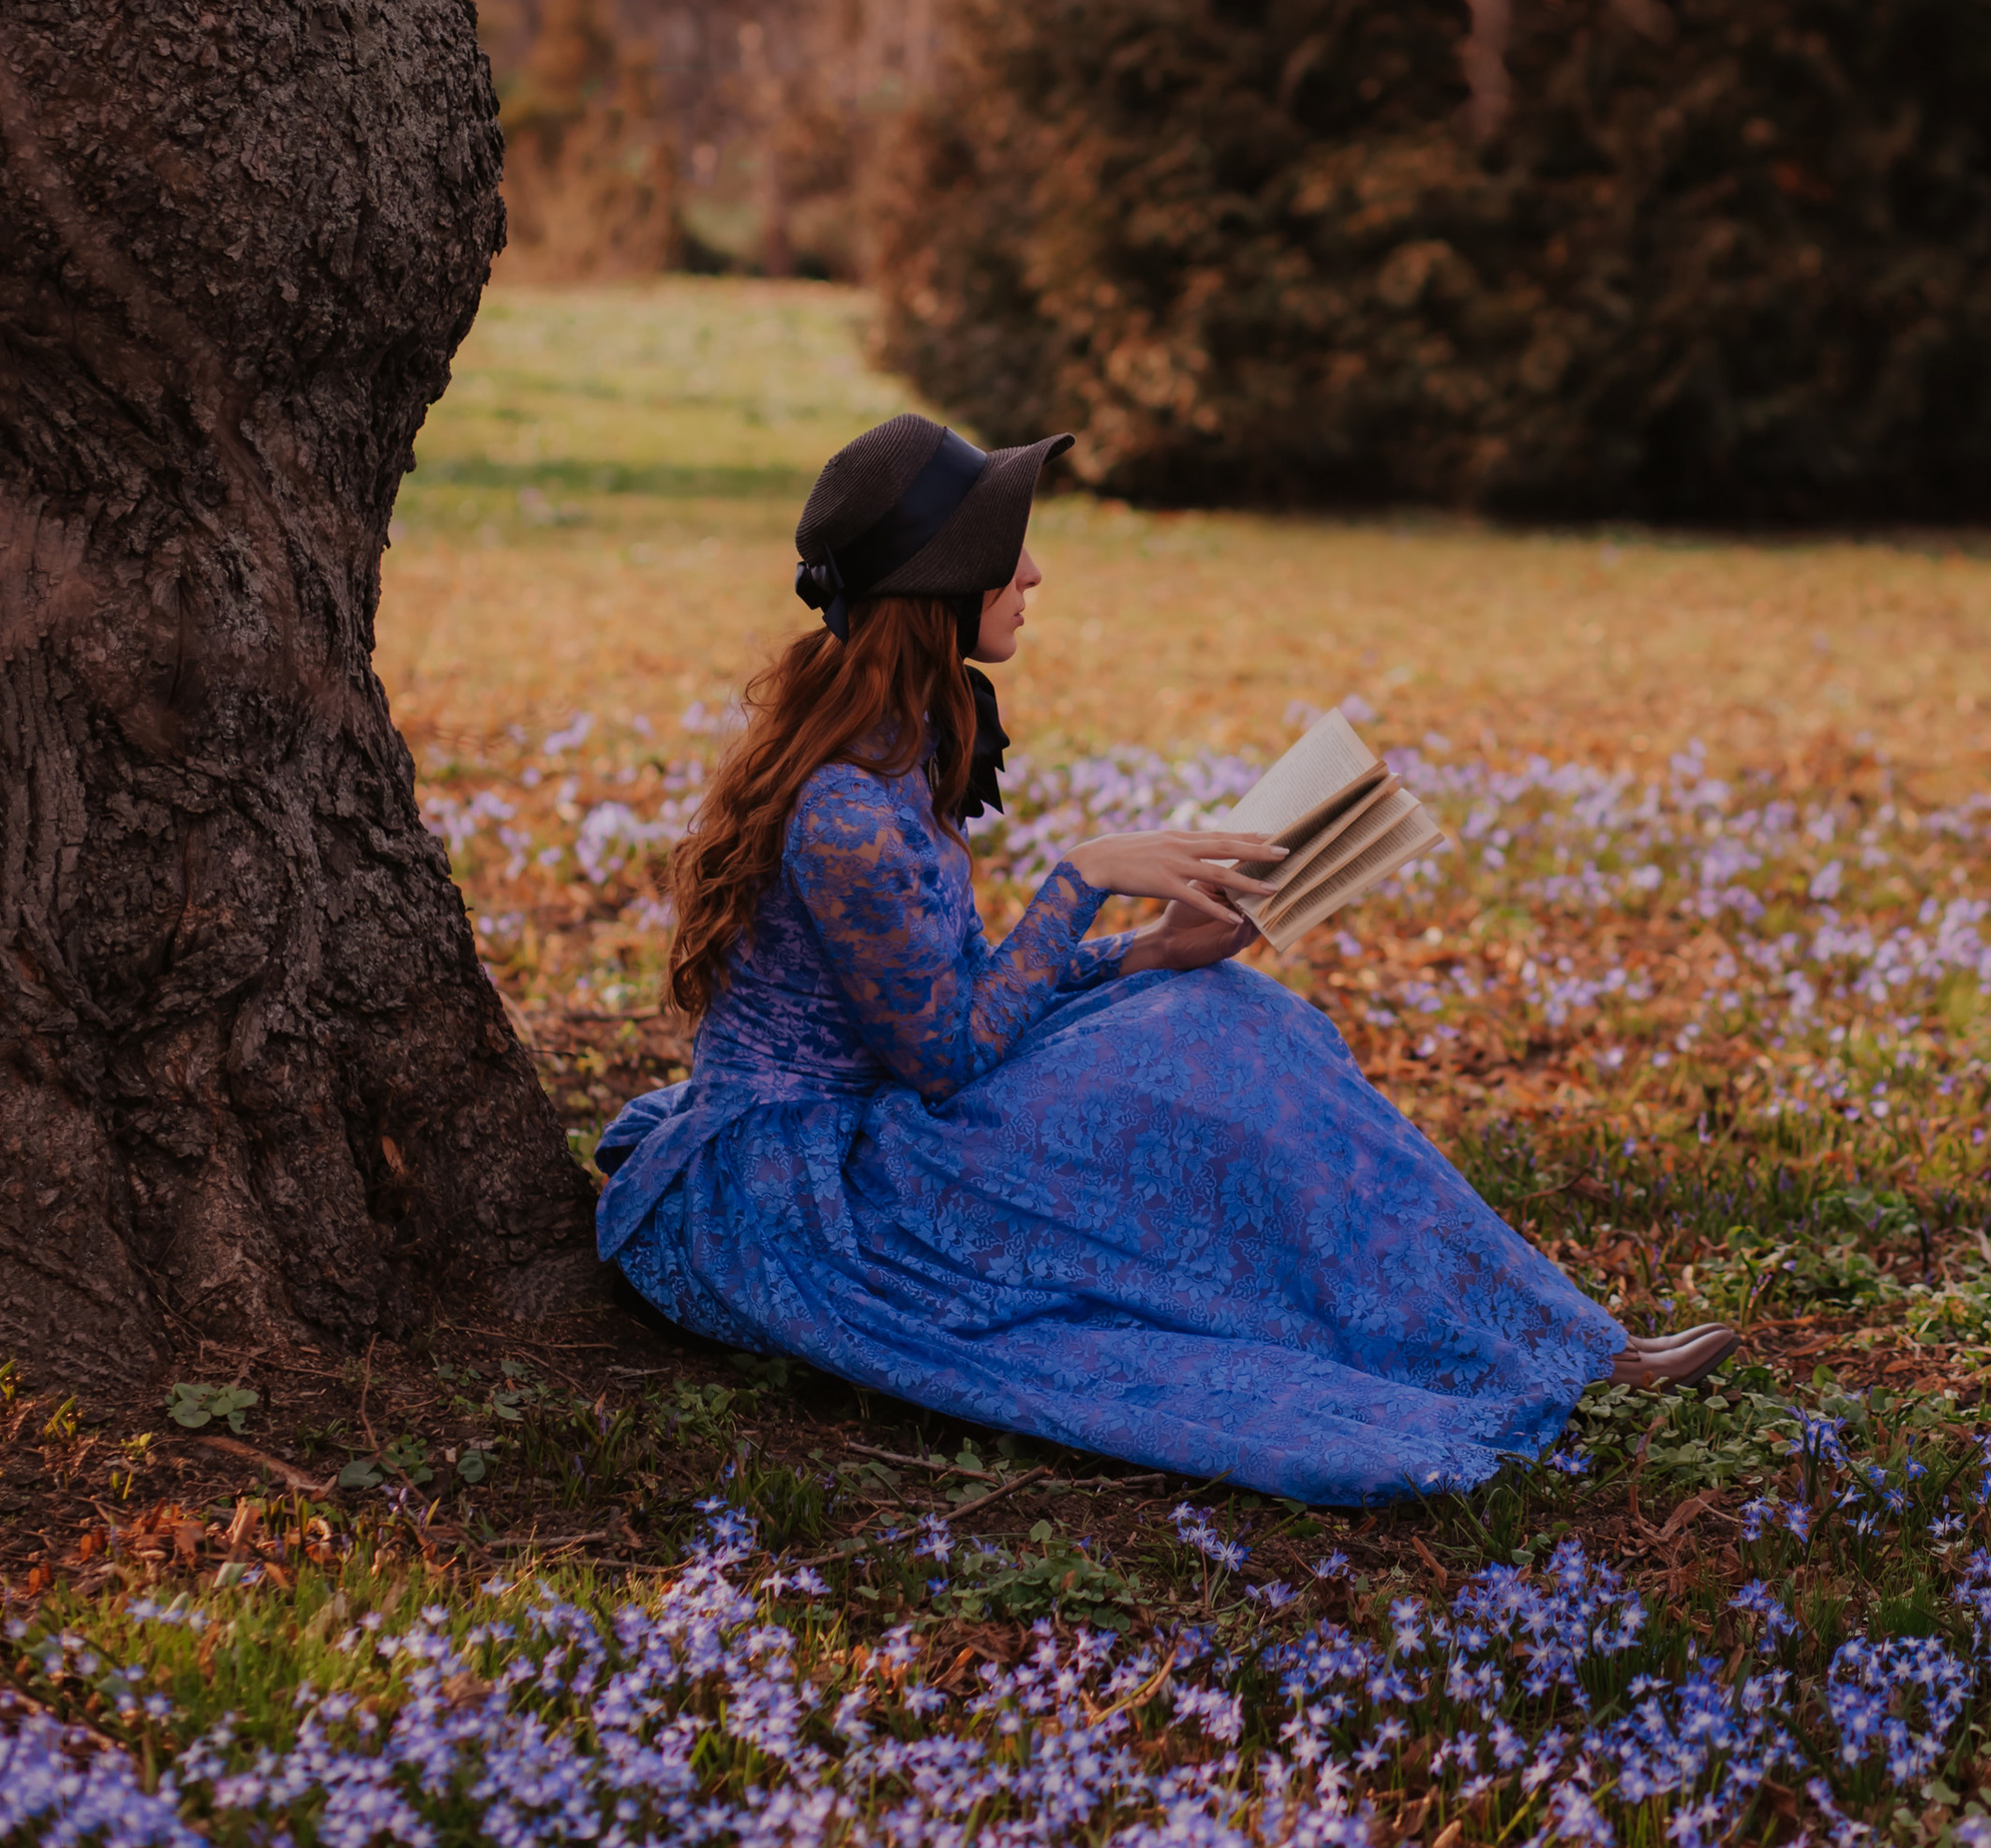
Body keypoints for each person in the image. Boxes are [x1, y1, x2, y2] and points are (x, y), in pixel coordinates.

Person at [596, 412, 1742, 1505]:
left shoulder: (894, 750)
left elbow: (955, 997)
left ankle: (1549, 1338)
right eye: (1005, 552)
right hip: (808, 1193)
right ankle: (1507, 1352)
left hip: (883, 1116)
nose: (1033, 572)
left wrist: (1148, 950)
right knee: (1210, 1062)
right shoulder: (845, 810)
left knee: (1237, 1011)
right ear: (940, 591)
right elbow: (943, 1057)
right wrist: (1079, 879)